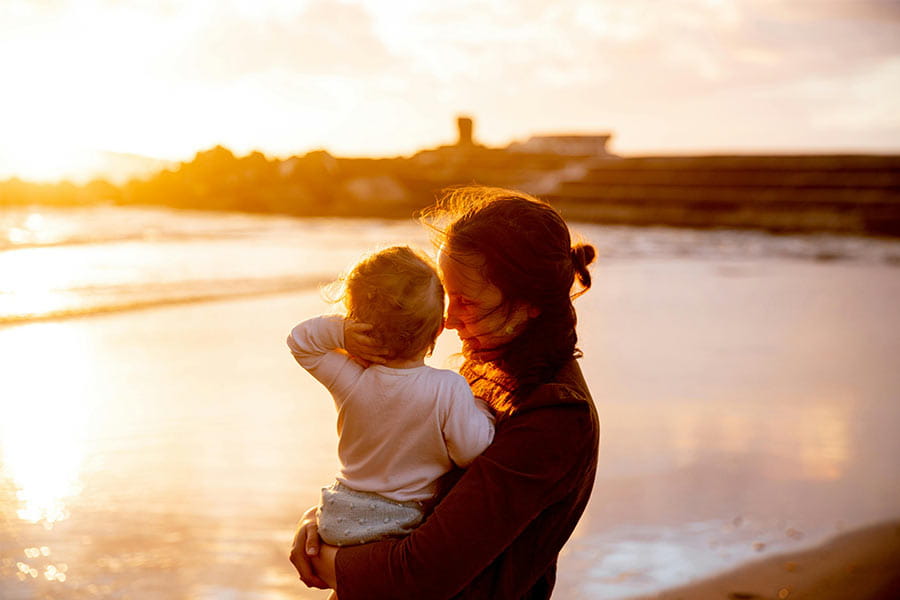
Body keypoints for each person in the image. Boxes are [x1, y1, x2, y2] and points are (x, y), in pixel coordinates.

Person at [290, 186, 600, 599]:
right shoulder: (488, 369)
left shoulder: (556, 416)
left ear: (531, 303)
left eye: (466, 302)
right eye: (445, 295)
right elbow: (415, 488)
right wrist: (324, 520)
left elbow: (421, 574)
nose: (448, 320)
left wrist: (326, 560)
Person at [287, 245, 495, 550]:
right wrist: (481, 409)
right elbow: (471, 451)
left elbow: (301, 342)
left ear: (358, 322)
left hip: (338, 514)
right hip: (398, 521)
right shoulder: (449, 388)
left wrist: (341, 334)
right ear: (439, 328)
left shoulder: (352, 379)